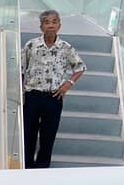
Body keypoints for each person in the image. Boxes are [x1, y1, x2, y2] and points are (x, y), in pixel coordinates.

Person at [21, 9, 86, 169]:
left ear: (59, 26)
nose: (51, 25)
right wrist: (20, 93)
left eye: (54, 22)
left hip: (54, 98)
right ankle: (26, 170)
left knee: (48, 138)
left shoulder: (66, 48)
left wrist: (68, 84)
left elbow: (80, 67)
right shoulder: (31, 45)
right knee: (28, 136)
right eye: (47, 22)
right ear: (41, 27)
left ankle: (42, 172)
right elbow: (21, 70)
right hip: (32, 97)